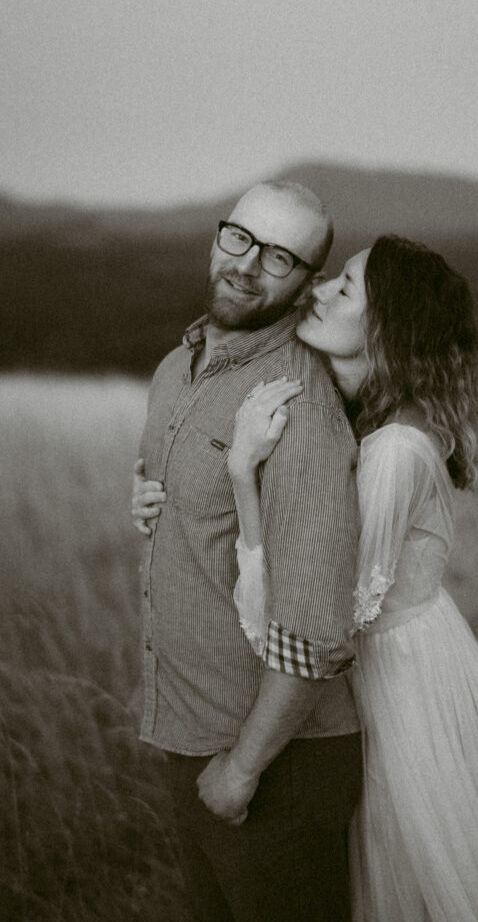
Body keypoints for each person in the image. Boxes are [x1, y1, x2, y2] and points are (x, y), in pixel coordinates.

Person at [141, 233, 478, 922]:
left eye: (347, 288)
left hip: (398, 682)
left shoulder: (393, 449)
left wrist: (243, 473)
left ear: (384, 327)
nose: (322, 288)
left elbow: (316, 610)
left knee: (431, 874)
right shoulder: (372, 417)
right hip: (399, 659)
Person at [131, 180, 363, 922]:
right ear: (217, 235)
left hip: (272, 761)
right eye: (241, 239)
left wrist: (242, 768)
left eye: (281, 257)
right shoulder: (180, 365)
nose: (249, 265)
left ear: (305, 283)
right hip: (193, 729)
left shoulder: (296, 400)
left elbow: (319, 625)